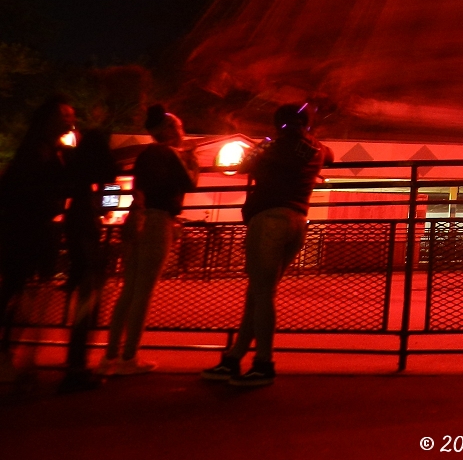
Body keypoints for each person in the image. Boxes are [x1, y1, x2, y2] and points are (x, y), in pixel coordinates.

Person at [202, 104, 332, 387]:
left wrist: (264, 145)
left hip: (269, 220)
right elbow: (328, 155)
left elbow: (242, 165)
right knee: (259, 294)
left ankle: (264, 363)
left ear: (278, 124)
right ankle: (234, 357)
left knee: (261, 294)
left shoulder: (274, 147)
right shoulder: (317, 149)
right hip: (297, 220)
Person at [100, 105, 199, 375]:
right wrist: (192, 159)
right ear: (167, 130)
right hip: (158, 222)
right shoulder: (171, 154)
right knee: (144, 292)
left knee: (128, 290)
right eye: (179, 127)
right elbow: (191, 183)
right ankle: (129, 357)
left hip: (138, 219)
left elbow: (134, 188)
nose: (183, 132)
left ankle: (110, 356)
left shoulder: (144, 155)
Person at [0, 97, 75, 383]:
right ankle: (10, 357)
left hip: (26, 230)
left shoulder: (45, 149)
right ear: (49, 120)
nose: (71, 120)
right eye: (65, 115)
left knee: (17, 291)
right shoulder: (40, 152)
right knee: (17, 292)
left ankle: (14, 357)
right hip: (26, 231)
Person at [58, 127, 119, 392]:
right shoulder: (105, 167)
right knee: (90, 293)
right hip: (89, 229)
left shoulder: (74, 163)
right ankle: (77, 365)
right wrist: (105, 209)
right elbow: (110, 199)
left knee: (82, 290)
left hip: (73, 224)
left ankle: (75, 362)